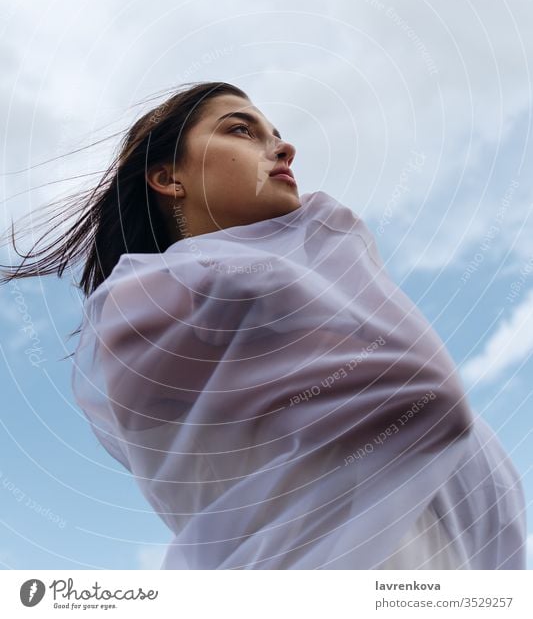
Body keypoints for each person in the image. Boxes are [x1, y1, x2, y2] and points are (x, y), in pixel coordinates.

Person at [1, 80, 526, 569]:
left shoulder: (266, 300)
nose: (283, 147)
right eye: (240, 130)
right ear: (168, 177)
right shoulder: (160, 303)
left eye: (275, 134)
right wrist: (328, 234)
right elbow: (425, 394)